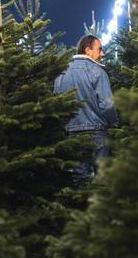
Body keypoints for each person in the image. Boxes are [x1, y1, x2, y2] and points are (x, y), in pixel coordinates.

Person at [54, 35, 119, 180]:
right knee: (103, 179)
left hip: (71, 133)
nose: (102, 54)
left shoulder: (62, 72)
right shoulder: (98, 72)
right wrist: (114, 123)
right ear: (87, 49)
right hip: (97, 132)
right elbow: (108, 105)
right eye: (100, 49)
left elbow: (57, 103)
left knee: (78, 179)